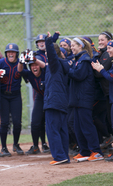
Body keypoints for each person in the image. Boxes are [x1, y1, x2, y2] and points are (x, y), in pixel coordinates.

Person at [68, 37, 104, 162]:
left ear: (81, 46)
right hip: (77, 99)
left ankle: (96, 151)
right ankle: (84, 151)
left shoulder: (84, 60)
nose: (71, 47)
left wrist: (68, 68)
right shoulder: (78, 60)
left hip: (84, 98)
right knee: (77, 126)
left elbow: (78, 75)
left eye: (74, 45)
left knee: (86, 125)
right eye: (71, 45)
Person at [43, 32, 70, 165]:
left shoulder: (55, 64)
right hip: (61, 102)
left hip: (53, 102)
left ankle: (59, 156)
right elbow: (53, 52)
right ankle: (64, 155)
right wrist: (53, 39)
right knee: (61, 130)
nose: (46, 54)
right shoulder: (61, 63)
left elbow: (52, 52)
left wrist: (49, 40)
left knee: (53, 130)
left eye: (48, 52)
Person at [0, 43, 24, 156]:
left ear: (17, 54)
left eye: (13, 52)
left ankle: (16, 144)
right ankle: (3, 147)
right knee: (4, 122)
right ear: (6, 54)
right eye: (9, 52)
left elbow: (27, 75)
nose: (11, 54)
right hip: (3, 96)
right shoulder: (0, 63)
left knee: (17, 122)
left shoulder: (20, 64)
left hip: (15, 95)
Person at [17, 51, 47, 155]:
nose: (34, 67)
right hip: (40, 97)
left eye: (36, 65)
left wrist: (35, 59)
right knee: (35, 122)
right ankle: (35, 146)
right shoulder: (29, 74)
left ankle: (47, 144)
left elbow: (45, 65)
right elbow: (20, 70)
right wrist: (21, 61)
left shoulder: (45, 71)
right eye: (32, 65)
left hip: (50, 97)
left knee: (49, 122)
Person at [93, 31, 113, 154]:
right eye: (99, 40)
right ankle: (109, 142)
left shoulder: (107, 54)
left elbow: (99, 73)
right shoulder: (102, 53)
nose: (100, 42)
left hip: (111, 92)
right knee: (108, 119)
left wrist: (96, 68)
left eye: (102, 40)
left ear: (109, 41)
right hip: (106, 93)